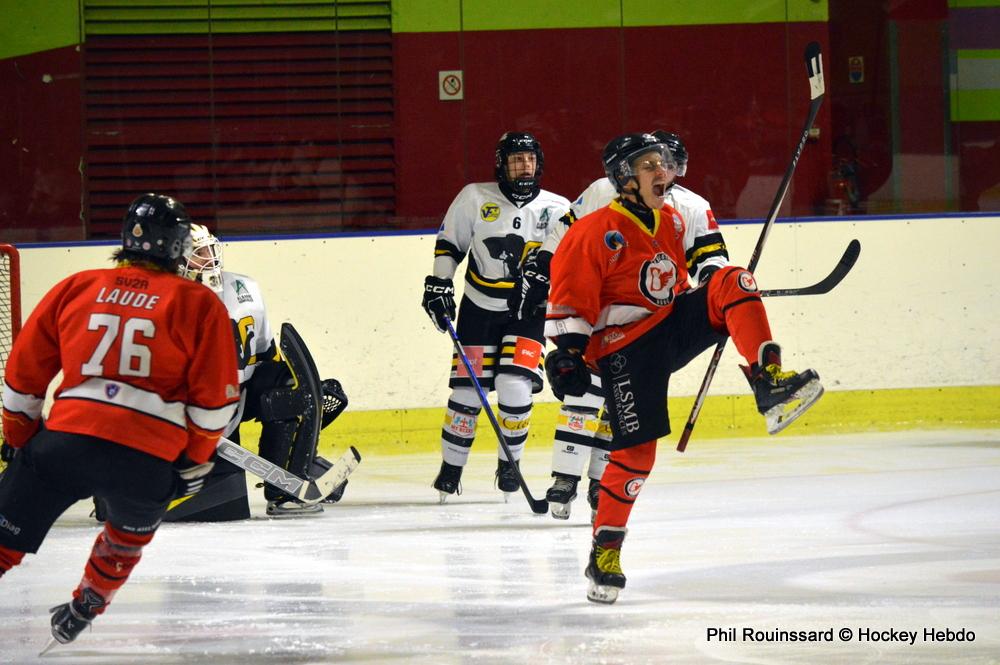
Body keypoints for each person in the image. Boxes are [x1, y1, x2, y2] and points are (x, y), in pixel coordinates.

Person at [543, 134, 824, 604]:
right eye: (649, 165)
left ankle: (769, 383)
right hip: (623, 348)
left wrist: (727, 303)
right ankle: (605, 551)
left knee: (733, 279)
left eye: (664, 164)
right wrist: (568, 351)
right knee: (637, 456)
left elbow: (679, 284)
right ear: (624, 177)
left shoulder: (672, 221)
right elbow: (572, 297)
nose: (662, 172)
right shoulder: (592, 231)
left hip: (667, 327)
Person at [0, 194, 239, 646]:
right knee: (124, 538)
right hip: (144, 460)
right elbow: (213, 406)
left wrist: (20, 439)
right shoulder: (201, 304)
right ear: (178, 245)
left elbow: (22, 379)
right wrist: (192, 461)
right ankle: (86, 605)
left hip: (65, 444)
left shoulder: (77, 286)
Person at [514, 131, 730, 521]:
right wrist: (543, 269)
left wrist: (714, 290)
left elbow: (710, 257)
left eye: (671, 165)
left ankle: (602, 483)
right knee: (583, 397)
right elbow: (566, 229)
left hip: (647, 326)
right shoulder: (605, 190)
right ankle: (565, 477)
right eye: (657, 163)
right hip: (598, 313)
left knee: (619, 410)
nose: (665, 172)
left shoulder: (692, 207)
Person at [422, 131, 571, 502]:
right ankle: (451, 469)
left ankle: (510, 465)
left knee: (514, 385)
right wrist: (440, 284)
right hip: (479, 307)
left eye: (530, 159)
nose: (524, 166)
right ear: (501, 164)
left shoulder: (558, 207)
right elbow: (450, 243)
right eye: (516, 160)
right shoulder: (475, 196)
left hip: (529, 310)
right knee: (467, 393)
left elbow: (570, 261)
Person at [171, 224, 350, 519]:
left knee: (290, 388)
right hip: (188, 407)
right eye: (199, 252)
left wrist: (297, 399)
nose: (210, 257)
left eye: (210, 249)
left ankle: (286, 487)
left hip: (237, 393)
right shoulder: (165, 299)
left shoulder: (244, 288)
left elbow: (267, 354)